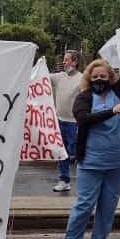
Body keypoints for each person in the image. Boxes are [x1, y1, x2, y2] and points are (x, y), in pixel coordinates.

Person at [58, 59, 120, 239]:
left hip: (117, 161)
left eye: (103, 76)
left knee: (108, 207)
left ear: (110, 78)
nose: (99, 79)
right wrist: (111, 111)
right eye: (95, 76)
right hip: (91, 161)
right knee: (84, 205)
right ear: (89, 78)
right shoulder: (84, 97)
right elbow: (83, 119)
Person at [50, 50, 82, 192]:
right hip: (59, 121)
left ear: (75, 62)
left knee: (75, 153)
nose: (63, 62)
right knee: (61, 152)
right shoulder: (59, 77)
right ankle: (64, 180)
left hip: (74, 123)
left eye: (66, 60)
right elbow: (42, 75)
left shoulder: (82, 79)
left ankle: (84, 181)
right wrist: (40, 63)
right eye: (64, 60)